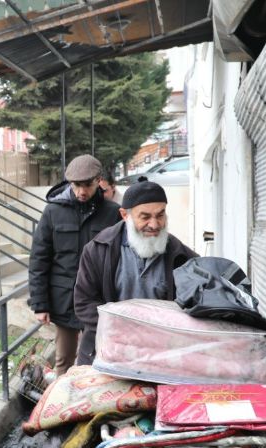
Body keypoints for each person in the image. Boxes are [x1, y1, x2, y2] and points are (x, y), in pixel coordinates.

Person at [74, 181, 199, 365]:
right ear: (125, 215)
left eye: (160, 215)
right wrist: (126, 330)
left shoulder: (182, 256)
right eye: (145, 217)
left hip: (161, 357)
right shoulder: (98, 250)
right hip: (106, 352)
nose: (154, 224)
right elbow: (84, 303)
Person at [28, 154, 121, 374]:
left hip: (100, 300)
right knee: (64, 360)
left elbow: (122, 259)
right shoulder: (53, 211)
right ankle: (62, 397)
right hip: (63, 300)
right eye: (76, 185)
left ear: (98, 180)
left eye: (87, 185)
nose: (81, 191)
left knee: (100, 360)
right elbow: (39, 258)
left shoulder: (112, 213)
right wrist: (40, 304)